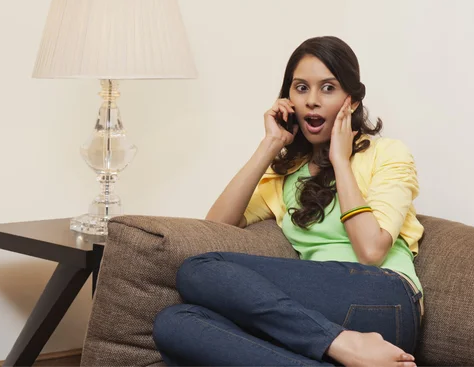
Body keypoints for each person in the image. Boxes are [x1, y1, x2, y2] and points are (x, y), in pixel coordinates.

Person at [153, 36, 425, 367]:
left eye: (328, 88)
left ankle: (340, 343)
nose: (312, 101)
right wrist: (270, 143)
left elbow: (371, 251)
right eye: (301, 88)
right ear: (288, 98)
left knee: (198, 270)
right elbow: (215, 227)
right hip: (319, 314)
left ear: (350, 101)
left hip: (386, 299)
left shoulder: (388, 154)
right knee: (176, 323)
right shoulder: (286, 174)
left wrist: (341, 162)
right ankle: (337, 349)